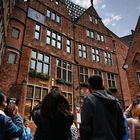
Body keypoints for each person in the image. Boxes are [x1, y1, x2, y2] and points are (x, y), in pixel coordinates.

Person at [80, 75, 126, 140]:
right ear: (102, 85)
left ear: (90, 87)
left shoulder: (89, 100)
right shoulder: (115, 101)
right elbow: (122, 125)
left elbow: (85, 127)